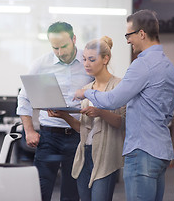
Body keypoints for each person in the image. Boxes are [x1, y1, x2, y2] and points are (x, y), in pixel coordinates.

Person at [74, 10, 174, 201]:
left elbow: (113, 100)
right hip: (161, 152)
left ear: (141, 34)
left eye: (128, 35)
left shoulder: (142, 65)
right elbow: (167, 113)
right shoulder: (168, 66)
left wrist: (85, 92)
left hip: (142, 152)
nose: (127, 40)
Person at [17, 21, 93, 201]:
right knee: (40, 190)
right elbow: (24, 98)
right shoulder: (41, 64)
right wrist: (29, 131)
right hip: (49, 135)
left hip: (77, 135)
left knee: (71, 193)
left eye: (64, 46)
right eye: (55, 48)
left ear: (74, 39)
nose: (60, 53)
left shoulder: (88, 62)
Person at [47, 36, 126, 201]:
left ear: (105, 59)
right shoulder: (86, 89)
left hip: (106, 156)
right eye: (84, 59)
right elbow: (82, 128)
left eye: (91, 59)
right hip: (84, 154)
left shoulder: (119, 86)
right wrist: (64, 115)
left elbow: (121, 122)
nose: (86, 64)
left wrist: (100, 112)